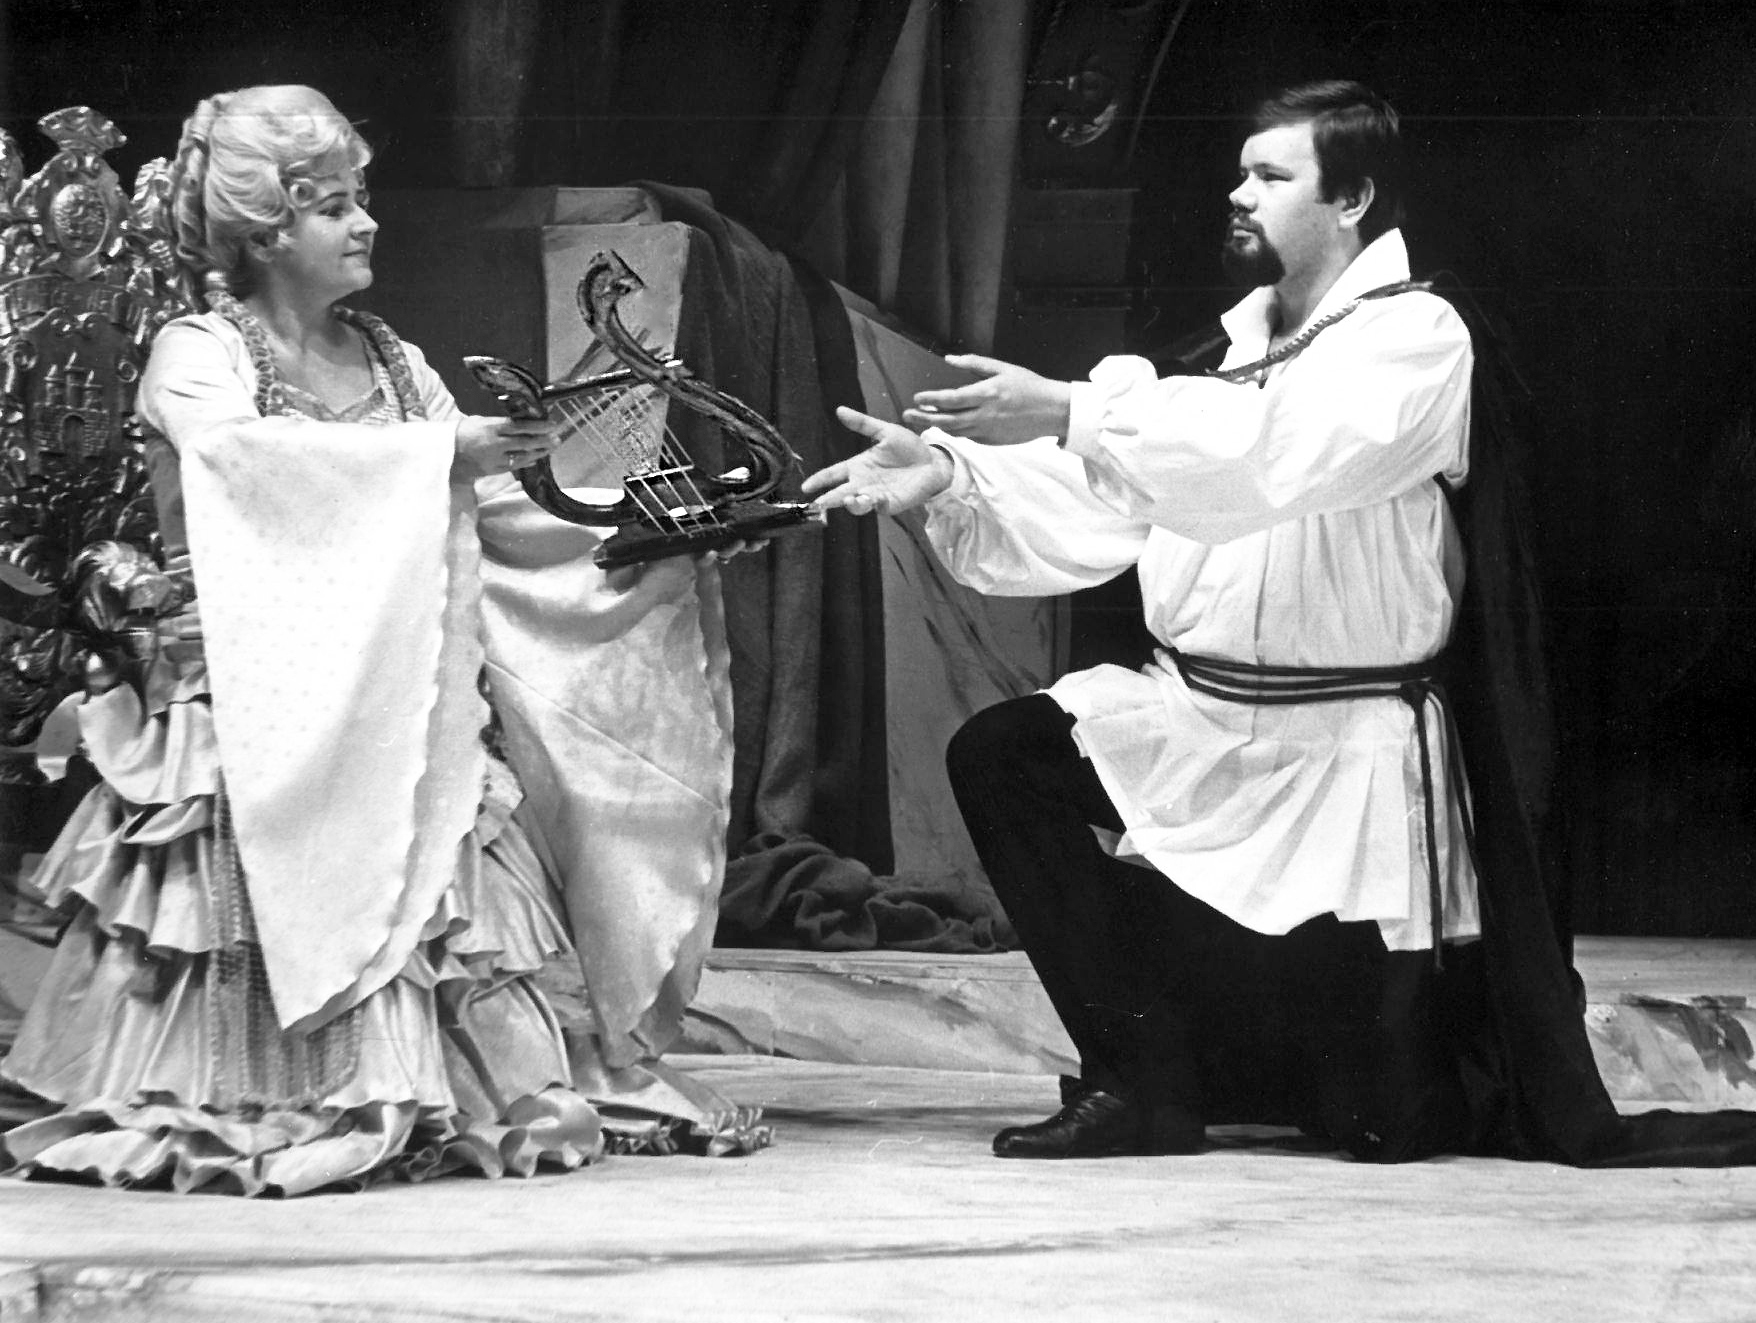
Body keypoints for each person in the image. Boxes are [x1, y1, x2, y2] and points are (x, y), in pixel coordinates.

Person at [806, 80, 1756, 1166]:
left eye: (1270, 175)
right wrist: (950, 473)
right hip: (1199, 724)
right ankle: (1138, 1081)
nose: (1238, 192)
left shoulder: (1417, 341)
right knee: (1004, 754)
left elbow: (1269, 459)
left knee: (1386, 1120)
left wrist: (1075, 407)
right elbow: (1115, 495)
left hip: (1343, 753)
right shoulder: (1226, 352)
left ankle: (1304, 1060)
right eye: (1240, 171)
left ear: (1352, 199)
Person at [0, 85, 760, 1195]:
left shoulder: (395, 361)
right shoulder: (197, 352)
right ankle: (274, 1085)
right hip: (249, 687)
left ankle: (438, 1079)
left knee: (457, 814)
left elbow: (487, 515)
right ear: (266, 233)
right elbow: (245, 464)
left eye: (359, 199)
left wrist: (646, 538)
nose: (365, 223)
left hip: (393, 676)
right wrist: (442, 457)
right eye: (332, 207)